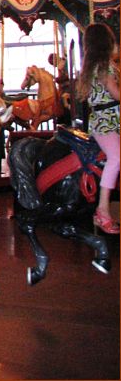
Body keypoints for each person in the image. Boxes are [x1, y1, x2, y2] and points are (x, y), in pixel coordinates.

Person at [77, 22, 120, 234]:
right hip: (107, 122)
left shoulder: (93, 66)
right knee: (116, 157)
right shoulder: (105, 67)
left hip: (106, 118)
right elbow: (116, 94)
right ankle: (102, 210)